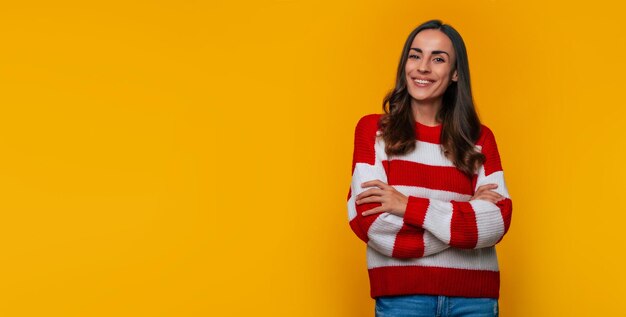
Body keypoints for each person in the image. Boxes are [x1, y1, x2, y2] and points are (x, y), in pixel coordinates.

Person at [346, 19, 513, 317]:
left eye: (438, 59)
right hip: (402, 300)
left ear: (455, 74)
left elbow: (495, 223)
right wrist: (463, 219)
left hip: (475, 301)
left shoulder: (479, 138)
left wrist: (406, 205)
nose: (423, 67)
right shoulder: (373, 131)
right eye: (415, 55)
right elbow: (372, 225)